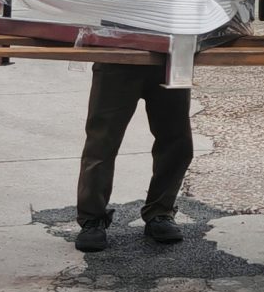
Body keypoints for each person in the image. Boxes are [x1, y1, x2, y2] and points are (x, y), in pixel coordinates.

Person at [74, 65, 191, 250]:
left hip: (172, 62)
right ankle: (92, 219)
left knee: (178, 142)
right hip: (117, 62)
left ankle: (160, 211)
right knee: (101, 143)